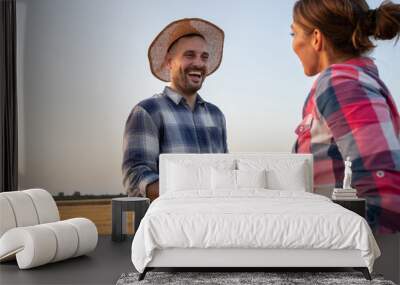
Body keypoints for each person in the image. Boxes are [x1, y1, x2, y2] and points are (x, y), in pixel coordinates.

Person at [290, 0, 400, 234]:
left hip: (346, 255)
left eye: (294, 33)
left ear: (316, 38)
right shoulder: (351, 80)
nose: (293, 43)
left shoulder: (340, 83)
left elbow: (385, 196)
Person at [122, 18, 228, 201]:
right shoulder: (147, 111)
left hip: (215, 222)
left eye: (204, 57)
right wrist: (192, 195)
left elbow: (225, 172)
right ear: (169, 62)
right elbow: (136, 178)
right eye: (189, 55)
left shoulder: (216, 116)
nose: (198, 63)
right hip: (172, 224)